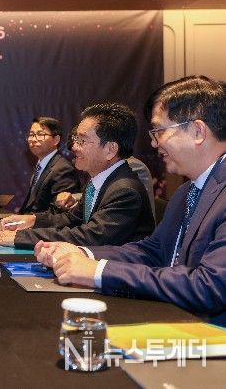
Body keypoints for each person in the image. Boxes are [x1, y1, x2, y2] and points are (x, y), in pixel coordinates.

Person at [36, 76, 225, 326]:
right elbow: (153, 252)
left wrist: (99, 271)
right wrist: (82, 253)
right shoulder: (186, 191)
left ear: (198, 131)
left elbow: (210, 286)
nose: (153, 143)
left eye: (159, 131)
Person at [0, 103, 154, 249]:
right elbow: (71, 218)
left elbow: (88, 237)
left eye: (82, 140)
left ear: (110, 150)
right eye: (75, 139)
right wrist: (32, 220)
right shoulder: (99, 181)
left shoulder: (125, 191)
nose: (74, 147)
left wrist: (20, 237)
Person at [18, 116, 81, 214]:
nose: (33, 139)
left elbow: (60, 211)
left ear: (56, 139)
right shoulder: (40, 166)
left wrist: (29, 220)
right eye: (31, 135)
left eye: (40, 134)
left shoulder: (63, 169)